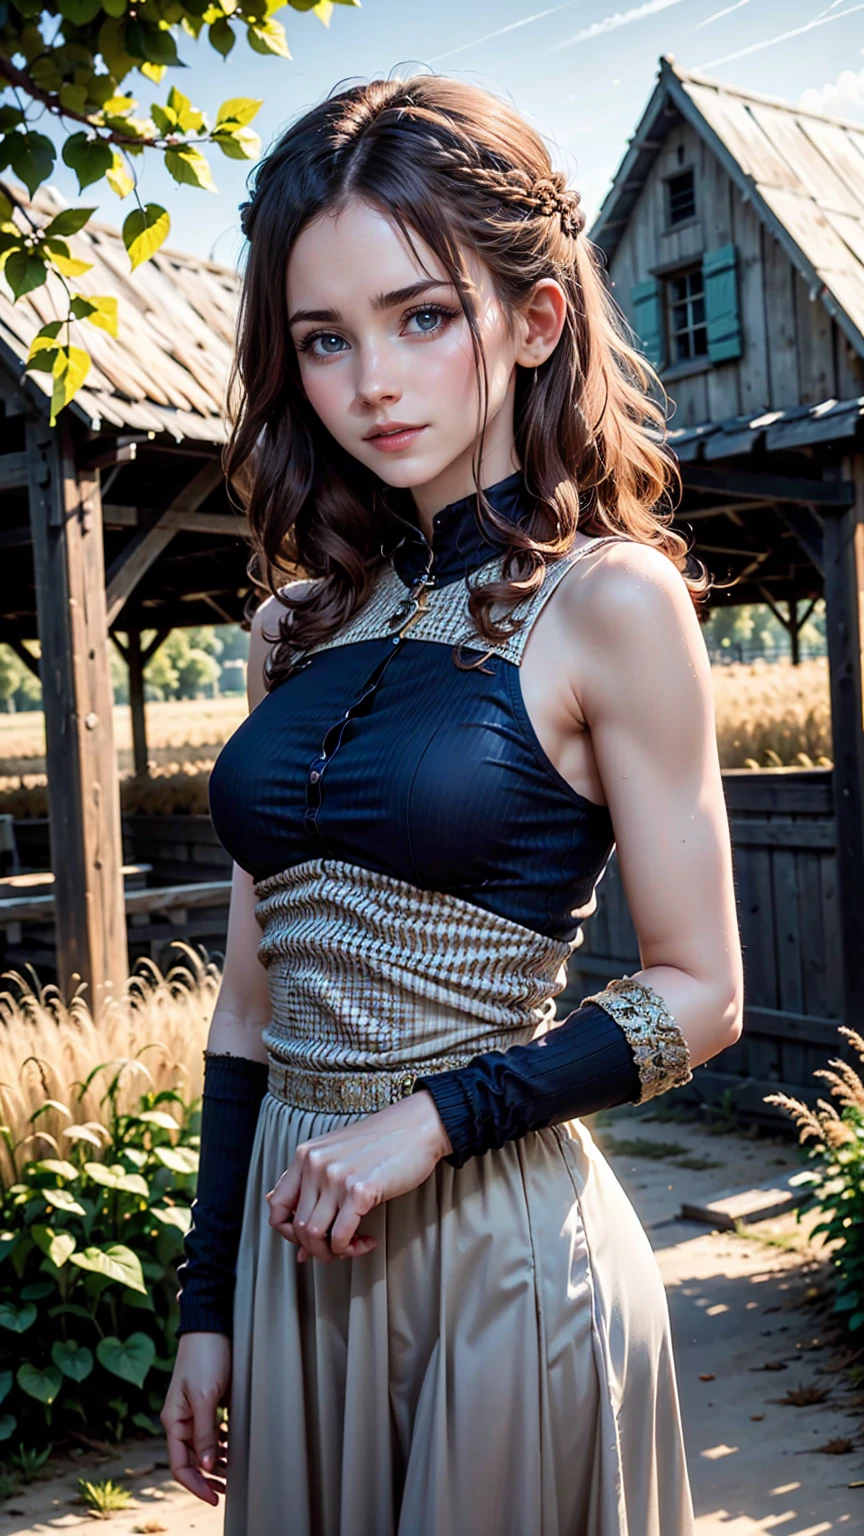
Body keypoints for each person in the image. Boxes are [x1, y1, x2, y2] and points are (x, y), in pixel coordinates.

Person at [160, 72, 743, 1536]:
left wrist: (428, 1123)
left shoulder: (611, 604)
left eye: (423, 315)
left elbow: (705, 995)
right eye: (324, 339)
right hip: (296, 1264)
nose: (373, 380)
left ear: (534, 320)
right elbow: (245, 1012)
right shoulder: (290, 629)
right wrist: (206, 1299)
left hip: (500, 1257)